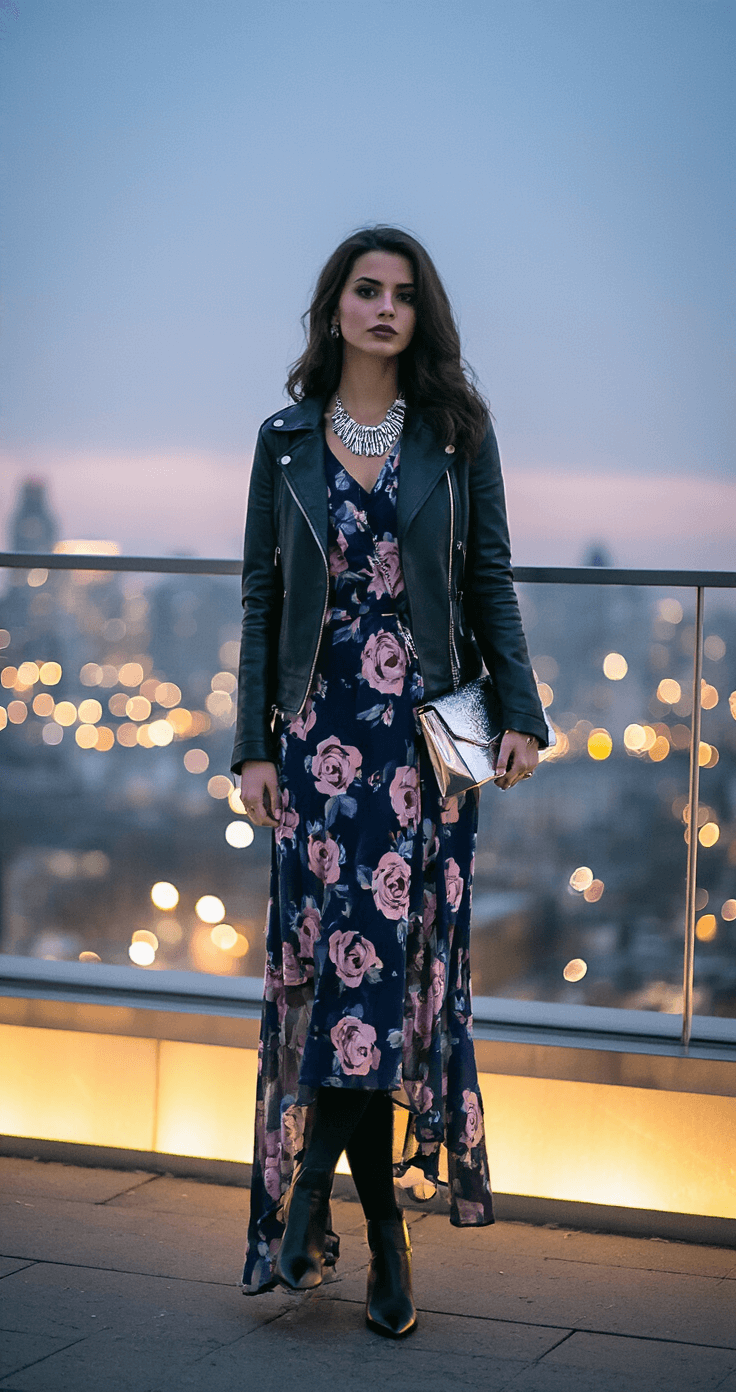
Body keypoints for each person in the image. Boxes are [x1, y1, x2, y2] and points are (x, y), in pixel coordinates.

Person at [231, 226, 548, 1337]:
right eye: (364, 291)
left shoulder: (456, 436)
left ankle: (315, 1190)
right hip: (318, 744)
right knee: (341, 982)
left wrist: (522, 713)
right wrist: (254, 747)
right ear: (333, 309)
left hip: (424, 749)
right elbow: (261, 603)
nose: (382, 309)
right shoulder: (283, 443)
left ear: (421, 317)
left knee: (380, 986)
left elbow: (489, 576)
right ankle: (381, 1242)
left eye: (402, 296)